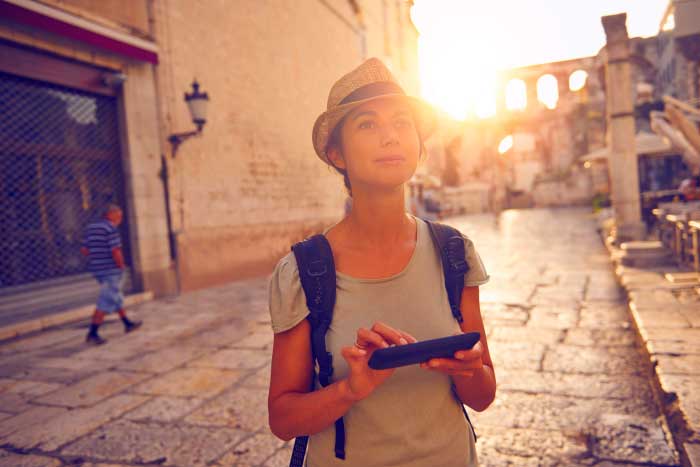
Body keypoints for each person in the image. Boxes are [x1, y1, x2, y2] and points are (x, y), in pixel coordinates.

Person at [267, 58, 495, 466]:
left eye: (402, 123)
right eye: (367, 124)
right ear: (336, 153)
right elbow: (283, 419)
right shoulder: (304, 272)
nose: (390, 136)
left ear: (419, 147)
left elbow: (483, 396)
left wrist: (470, 369)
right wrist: (349, 390)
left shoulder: (455, 253)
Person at [81, 204, 141, 345]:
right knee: (105, 301)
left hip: (98, 269)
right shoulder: (111, 228)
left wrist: (98, 256)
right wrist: (121, 266)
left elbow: (84, 250)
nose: (120, 218)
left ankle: (127, 323)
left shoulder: (90, 228)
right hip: (111, 270)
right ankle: (92, 333)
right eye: (118, 215)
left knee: (114, 296)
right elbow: (115, 250)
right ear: (110, 214)